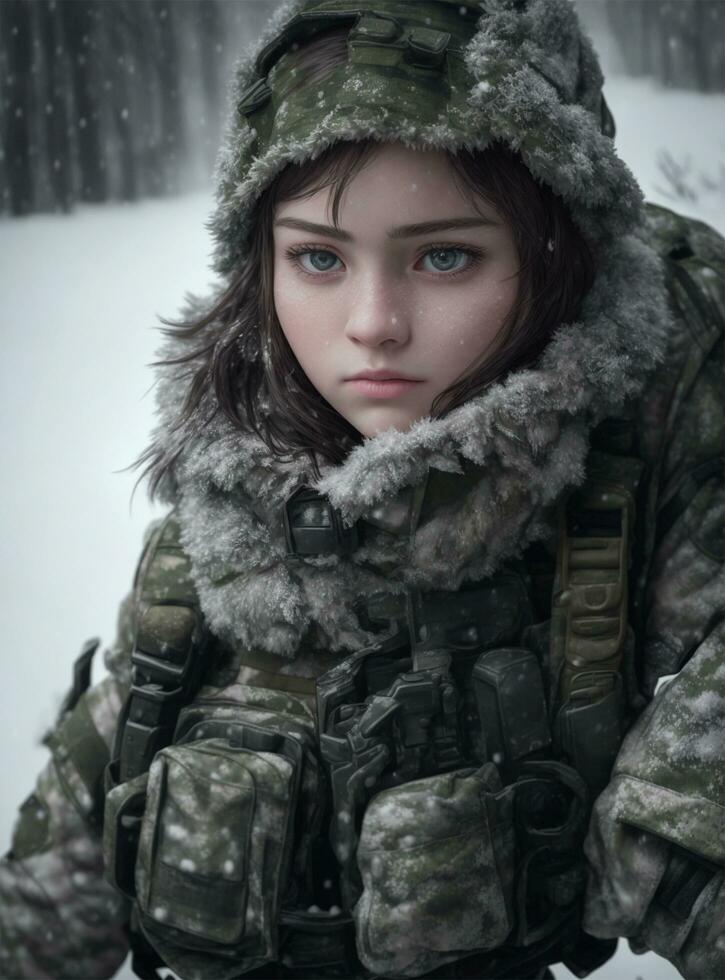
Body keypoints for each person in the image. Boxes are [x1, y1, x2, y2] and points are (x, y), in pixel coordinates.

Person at [2, 0, 724, 978]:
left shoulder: (629, 501)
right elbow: (47, 902)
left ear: (551, 263)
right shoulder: (213, 526)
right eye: (317, 258)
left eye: (442, 256)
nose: (372, 323)